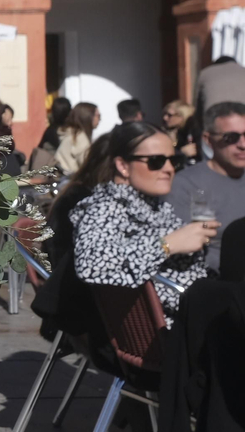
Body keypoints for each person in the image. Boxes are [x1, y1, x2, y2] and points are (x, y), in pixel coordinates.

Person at [69, 121, 213, 312]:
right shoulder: (107, 207)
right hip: (170, 329)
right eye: (156, 161)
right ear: (123, 166)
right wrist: (167, 245)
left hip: (191, 312)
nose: (169, 168)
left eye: (174, 160)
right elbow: (91, 266)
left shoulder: (153, 204)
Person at [164, 101, 245, 273]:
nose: (242, 145)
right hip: (219, 283)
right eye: (231, 137)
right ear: (208, 140)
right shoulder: (187, 184)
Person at [54, 101, 100, 176]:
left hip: (61, 177)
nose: (100, 119)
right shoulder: (80, 137)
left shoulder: (72, 134)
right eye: (98, 116)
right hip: (68, 179)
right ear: (88, 116)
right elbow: (86, 166)